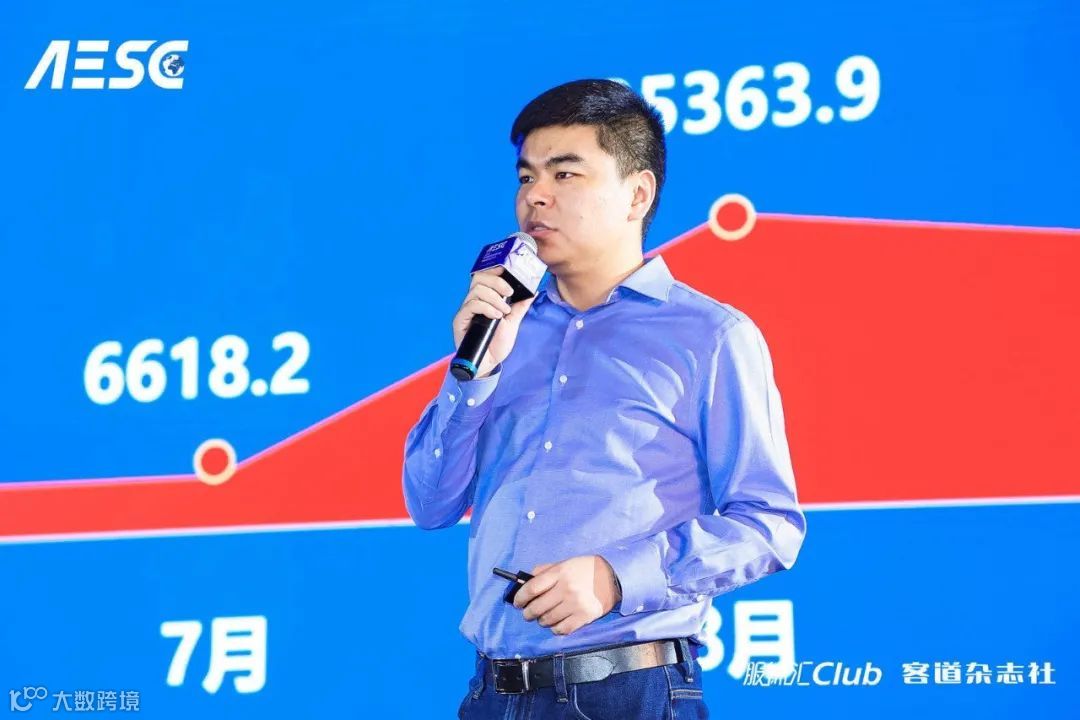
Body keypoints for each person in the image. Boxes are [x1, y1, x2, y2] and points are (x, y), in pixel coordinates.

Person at [402, 79, 806, 719]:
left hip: (627, 690)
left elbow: (769, 525)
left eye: (565, 174)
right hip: (492, 694)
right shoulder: (503, 327)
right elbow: (429, 505)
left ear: (637, 194)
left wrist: (616, 577)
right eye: (527, 176)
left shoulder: (709, 336)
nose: (535, 196)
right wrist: (473, 373)